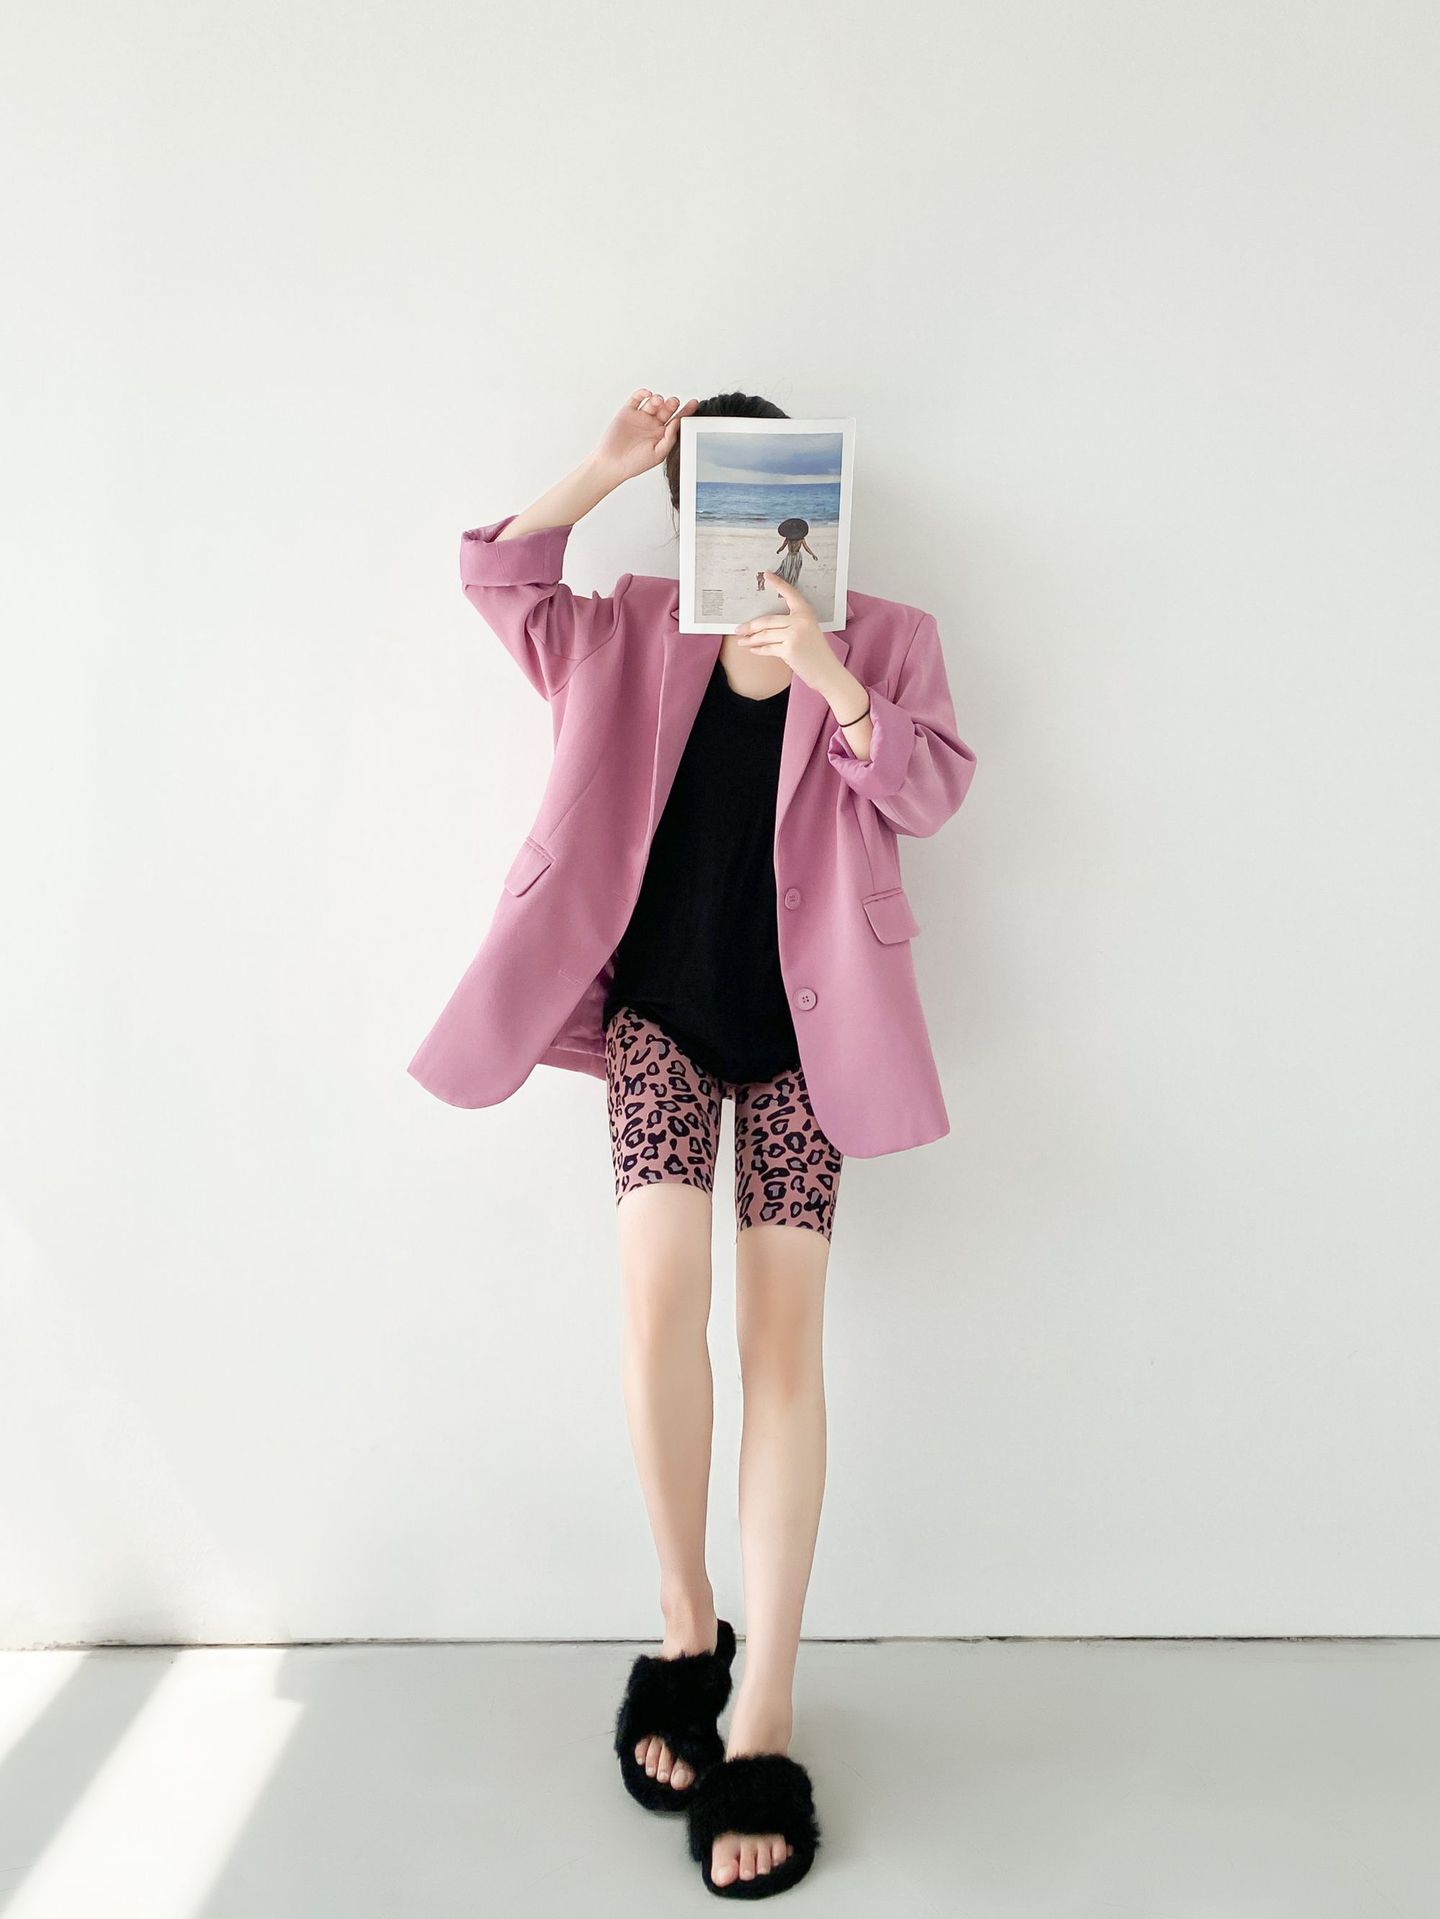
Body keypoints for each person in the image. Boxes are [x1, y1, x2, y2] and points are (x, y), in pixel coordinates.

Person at [426, 388, 977, 1898]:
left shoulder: (888, 636)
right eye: (716, 501)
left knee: (783, 1343)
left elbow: (932, 787)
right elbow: (496, 576)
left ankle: (769, 1708)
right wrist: (606, 468)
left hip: (812, 1039)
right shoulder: (625, 628)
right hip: (660, 1018)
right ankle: (686, 1632)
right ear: (691, 518)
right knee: (659, 1302)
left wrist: (832, 675)